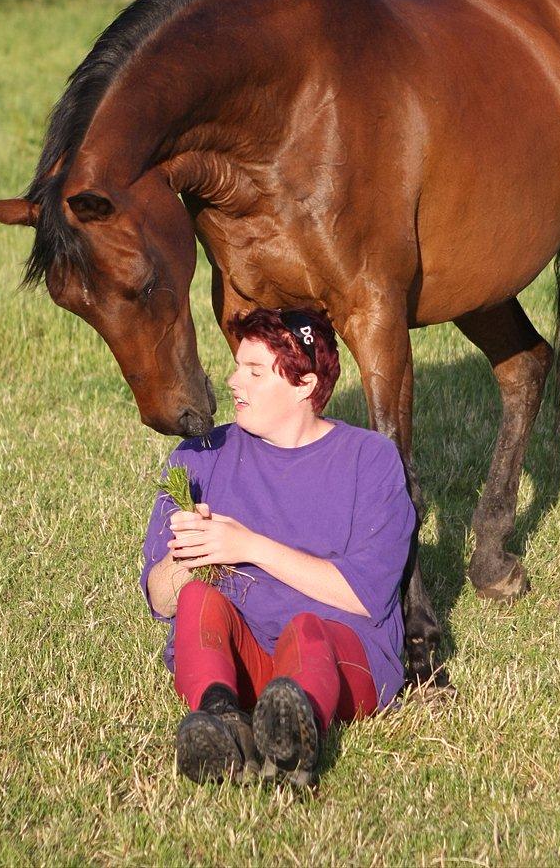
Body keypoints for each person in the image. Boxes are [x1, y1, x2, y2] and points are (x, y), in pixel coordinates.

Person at [140, 307, 416, 787]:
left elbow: (364, 595)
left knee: (307, 629)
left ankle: (294, 731)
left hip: (339, 660)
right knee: (196, 599)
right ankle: (222, 721)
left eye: (254, 371)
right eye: (236, 366)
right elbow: (161, 600)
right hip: (244, 664)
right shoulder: (202, 457)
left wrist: (246, 545)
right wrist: (188, 553)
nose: (232, 382)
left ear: (305, 385)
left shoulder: (370, 460)